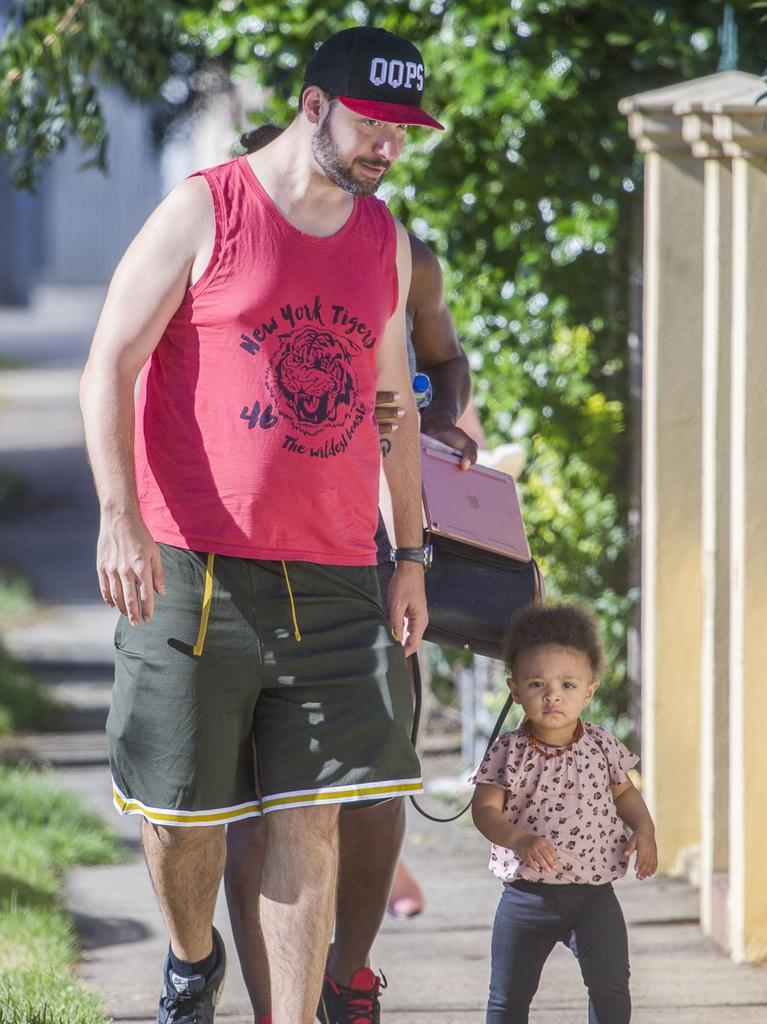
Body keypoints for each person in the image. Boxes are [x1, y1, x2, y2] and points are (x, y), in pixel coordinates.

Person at [79, 25, 445, 1024]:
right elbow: (108, 362)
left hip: (332, 574)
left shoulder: (384, 243)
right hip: (189, 570)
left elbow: (393, 410)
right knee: (181, 824)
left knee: (308, 823)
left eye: (405, 133)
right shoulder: (204, 208)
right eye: (377, 125)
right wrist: (119, 518)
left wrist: (409, 553)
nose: (390, 149)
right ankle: (193, 959)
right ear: (317, 106)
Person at [227, 115, 478, 1024]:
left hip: (370, 543)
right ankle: (269, 1005)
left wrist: (443, 430)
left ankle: (351, 973)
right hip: (244, 548)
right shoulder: (222, 238)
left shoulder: (403, 253)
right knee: (263, 797)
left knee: (374, 785)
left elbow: (445, 362)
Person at [471, 604, 657, 1024]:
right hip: (524, 896)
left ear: (588, 691)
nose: (553, 695)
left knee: (610, 990)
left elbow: (625, 792)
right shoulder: (508, 751)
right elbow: (483, 810)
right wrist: (518, 839)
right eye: (537, 683)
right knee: (507, 999)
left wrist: (644, 828)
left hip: (594, 896)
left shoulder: (602, 745)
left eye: (567, 683)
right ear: (515, 689)